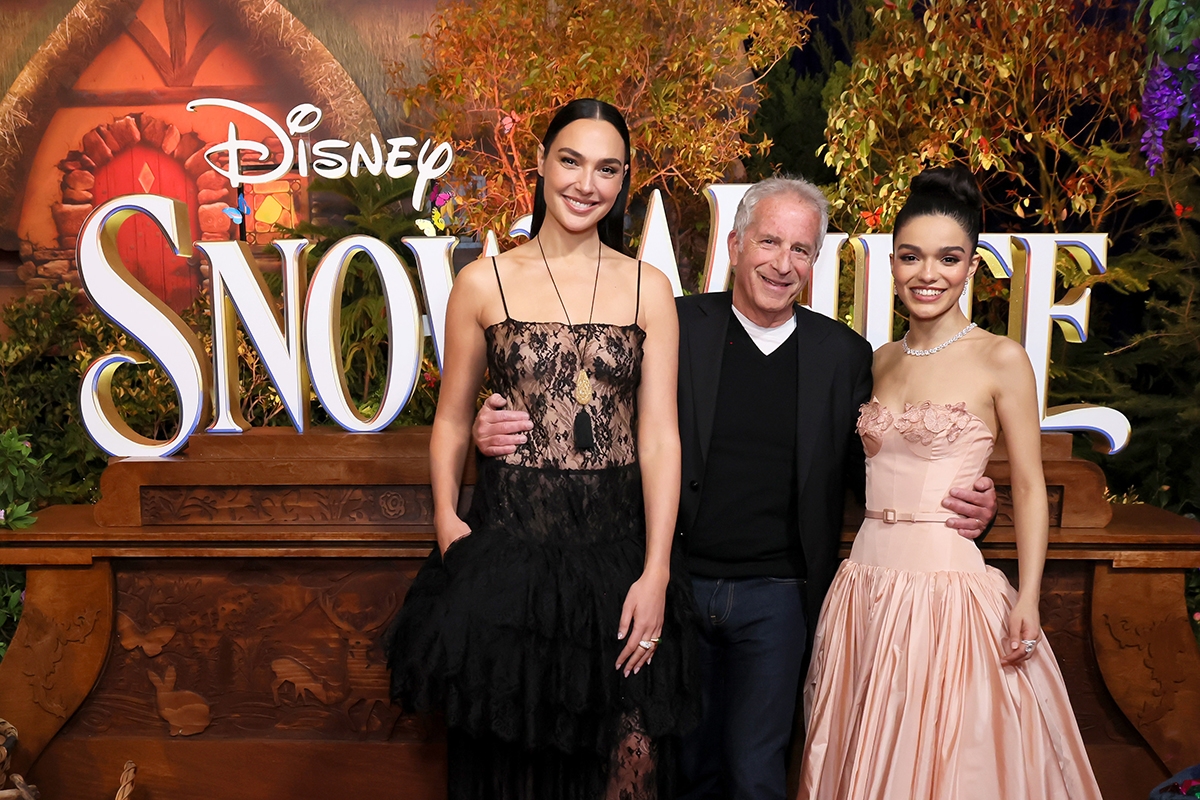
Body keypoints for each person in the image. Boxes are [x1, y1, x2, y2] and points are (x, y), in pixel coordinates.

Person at [474, 175, 998, 800]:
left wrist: (970, 494)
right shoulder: (678, 325)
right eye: (768, 242)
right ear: (734, 244)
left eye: (800, 249)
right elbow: (593, 400)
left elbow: (881, 468)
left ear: (814, 260)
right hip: (679, 587)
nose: (782, 263)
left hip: (778, 597)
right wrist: (491, 421)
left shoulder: (844, 356)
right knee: (687, 771)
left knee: (756, 772)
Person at [387, 99, 700, 800]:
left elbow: (658, 437)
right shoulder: (483, 283)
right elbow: (450, 421)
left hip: (619, 564)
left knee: (631, 767)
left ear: (623, 182)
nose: (588, 183)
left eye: (608, 169)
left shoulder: (648, 288)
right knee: (514, 771)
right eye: (572, 160)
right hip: (511, 559)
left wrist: (657, 571)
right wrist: (446, 521)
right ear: (540, 162)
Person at [796, 167, 1102, 799]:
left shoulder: (1001, 358)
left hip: (947, 594)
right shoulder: (877, 360)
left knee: (944, 760)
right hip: (863, 589)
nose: (926, 274)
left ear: (970, 268)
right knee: (860, 754)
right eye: (911, 257)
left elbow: (1026, 482)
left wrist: (1028, 595)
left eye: (947, 258)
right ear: (892, 265)